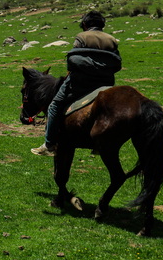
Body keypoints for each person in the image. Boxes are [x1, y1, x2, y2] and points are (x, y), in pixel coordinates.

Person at [31, 10, 121, 156]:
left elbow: (74, 60)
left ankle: (49, 144)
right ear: (102, 24)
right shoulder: (111, 39)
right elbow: (117, 63)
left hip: (81, 81)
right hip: (106, 81)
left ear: (85, 24)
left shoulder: (82, 36)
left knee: (54, 106)